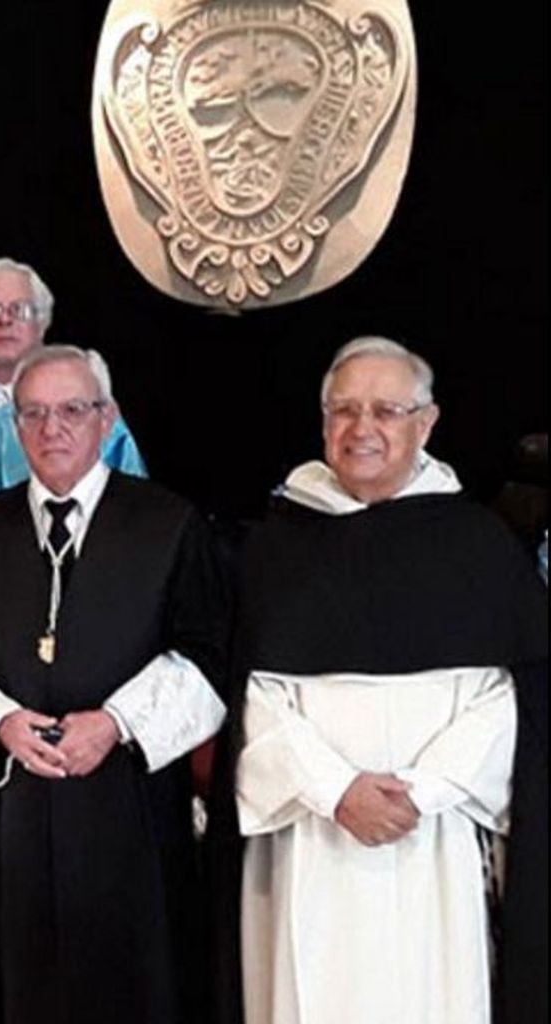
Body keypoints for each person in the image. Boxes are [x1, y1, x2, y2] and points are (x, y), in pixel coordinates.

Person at [216, 337, 547, 1024]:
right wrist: (337, 792)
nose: (362, 428)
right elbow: (256, 698)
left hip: (430, 841)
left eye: (387, 411)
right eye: (344, 410)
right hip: (308, 836)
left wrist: (417, 795)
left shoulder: (479, 543)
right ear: (323, 423)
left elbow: (506, 700)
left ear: (425, 424)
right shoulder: (276, 545)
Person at [0, 344, 228, 1024]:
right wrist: (2, 722)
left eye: (72, 410)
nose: (52, 429)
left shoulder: (168, 524)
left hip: (131, 809)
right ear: (15, 427)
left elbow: (209, 655)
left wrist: (116, 723)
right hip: (12, 815)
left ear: (108, 418)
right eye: (33, 413)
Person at [0, 258, 145, 498]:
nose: (4, 320)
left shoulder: (88, 403)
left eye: (19, 309)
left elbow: (132, 501)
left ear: (42, 322)